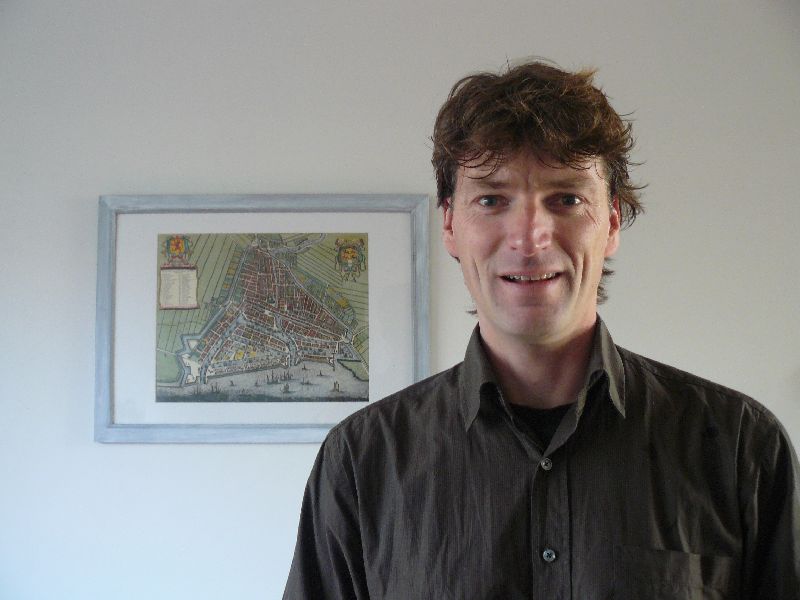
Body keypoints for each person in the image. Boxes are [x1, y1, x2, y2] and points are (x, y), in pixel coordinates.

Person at [283, 60, 800, 599]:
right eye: (491, 200)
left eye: (567, 199)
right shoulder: (361, 461)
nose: (529, 238)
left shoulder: (740, 447)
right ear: (450, 224)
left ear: (612, 222)